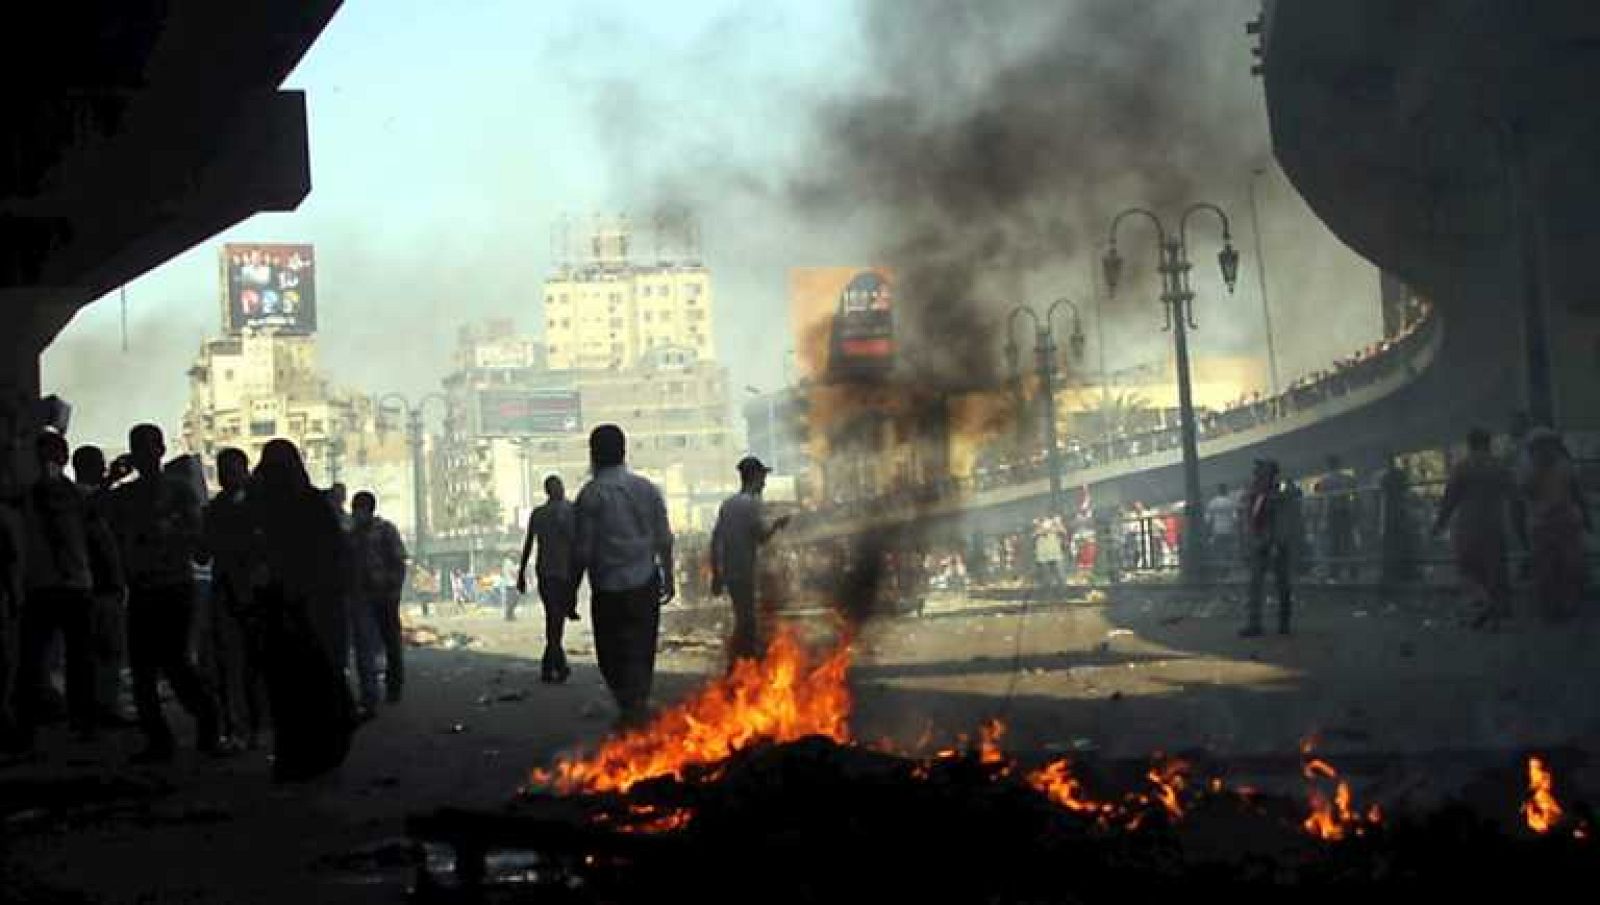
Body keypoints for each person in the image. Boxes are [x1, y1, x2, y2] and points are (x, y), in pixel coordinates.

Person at [107, 424, 222, 762]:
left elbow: (200, 543)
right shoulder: (126, 495)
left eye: (148, 447)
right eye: (137, 448)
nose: (144, 454)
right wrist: (111, 477)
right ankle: (162, 739)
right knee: (144, 670)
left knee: (174, 665)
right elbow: (90, 511)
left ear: (159, 450)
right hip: (144, 588)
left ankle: (206, 721)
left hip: (173, 585)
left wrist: (172, 533)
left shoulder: (179, 490)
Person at [247, 439, 354, 782]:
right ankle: (307, 754)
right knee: (304, 686)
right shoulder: (306, 504)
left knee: (295, 689)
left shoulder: (281, 505)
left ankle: (299, 755)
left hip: (299, 609)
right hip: (297, 610)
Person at [573, 425, 674, 729]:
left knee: (611, 655)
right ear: (623, 451)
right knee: (642, 650)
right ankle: (637, 707)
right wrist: (669, 576)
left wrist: (571, 591)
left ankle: (631, 710)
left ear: (594, 454)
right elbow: (665, 540)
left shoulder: (591, 495)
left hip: (609, 589)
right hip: (645, 583)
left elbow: (584, 551)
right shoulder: (647, 489)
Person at [17, 431, 98, 745]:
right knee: (40, 660)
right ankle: (42, 724)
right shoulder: (34, 496)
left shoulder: (72, 496)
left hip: (63, 584)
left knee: (74, 659)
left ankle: (77, 722)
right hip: (52, 584)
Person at [200, 448, 266, 747]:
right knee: (231, 664)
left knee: (253, 663)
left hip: (253, 592)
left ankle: (253, 725)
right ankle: (239, 726)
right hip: (229, 590)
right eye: (223, 469)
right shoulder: (217, 508)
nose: (227, 475)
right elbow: (204, 553)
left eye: (231, 468)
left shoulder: (259, 503)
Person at [71, 444, 130, 727]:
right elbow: (92, 506)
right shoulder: (81, 498)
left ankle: (95, 707)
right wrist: (112, 480)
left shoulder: (86, 499)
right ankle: (103, 708)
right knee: (106, 651)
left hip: (98, 586)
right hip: (99, 587)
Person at [710, 457, 791, 663]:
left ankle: (741, 660)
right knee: (747, 619)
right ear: (754, 477)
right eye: (762, 477)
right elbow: (762, 536)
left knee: (743, 616)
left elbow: (716, 540)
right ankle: (744, 661)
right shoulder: (753, 504)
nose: (764, 482)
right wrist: (778, 524)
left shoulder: (728, 504)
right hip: (746, 571)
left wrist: (717, 573)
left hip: (730, 571)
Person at [1433, 428, 1513, 629]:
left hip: (1468, 525)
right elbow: (1515, 496)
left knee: (1467, 569)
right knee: (1494, 570)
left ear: (1470, 444)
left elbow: (1449, 500)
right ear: (1488, 443)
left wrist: (1439, 524)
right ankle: (1493, 617)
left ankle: (1484, 605)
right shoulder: (1499, 466)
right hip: (1494, 524)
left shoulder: (1462, 467)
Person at [1518, 428, 1590, 621]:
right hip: (1541, 525)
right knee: (1545, 571)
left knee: (1572, 566)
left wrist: (1586, 517)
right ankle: (1550, 610)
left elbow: (1576, 492)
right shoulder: (1528, 469)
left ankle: (1570, 606)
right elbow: (1525, 493)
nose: (1545, 449)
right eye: (1540, 445)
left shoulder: (1565, 466)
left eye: (1548, 444)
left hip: (1564, 522)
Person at [348, 491, 408, 714]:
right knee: (365, 645)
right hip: (362, 596)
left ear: (369, 510)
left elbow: (399, 561)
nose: (356, 514)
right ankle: (369, 695)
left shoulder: (385, 530)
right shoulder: (352, 534)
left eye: (360, 509)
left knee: (391, 643)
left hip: (385, 595)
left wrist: (395, 589)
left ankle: (393, 687)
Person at [516, 475, 577, 683]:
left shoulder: (541, 513)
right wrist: (521, 573)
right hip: (561, 573)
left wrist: (521, 574)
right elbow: (576, 541)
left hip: (549, 572)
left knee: (554, 617)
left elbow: (528, 545)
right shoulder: (568, 511)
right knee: (555, 617)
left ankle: (554, 665)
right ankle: (552, 665)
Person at [1241, 459, 1294, 637]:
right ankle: (1255, 623)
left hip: (1275, 545)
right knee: (1256, 585)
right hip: (1260, 545)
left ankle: (1283, 623)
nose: (1255, 477)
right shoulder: (1258, 496)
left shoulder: (1277, 497)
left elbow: (1281, 523)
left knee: (1281, 585)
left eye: (1259, 474)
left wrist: (1276, 543)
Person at [1316, 456, 1358, 582]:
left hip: (1332, 512)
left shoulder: (1325, 480)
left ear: (1329, 465)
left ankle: (1335, 571)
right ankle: (1352, 569)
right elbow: (1354, 488)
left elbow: (1318, 491)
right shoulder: (1346, 478)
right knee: (1348, 541)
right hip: (1345, 511)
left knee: (1334, 542)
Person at [1205, 483, 1238, 577]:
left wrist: (1208, 532)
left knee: (1219, 551)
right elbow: (1235, 518)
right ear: (1226, 491)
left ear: (1218, 491)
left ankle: (1221, 570)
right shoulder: (1231, 502)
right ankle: (1226, 569)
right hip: (1229, 530)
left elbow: (1208, 519)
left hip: (1217, 530)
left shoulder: (1213, 502)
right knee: (1228, 550)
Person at [1031, 516, 1066, 598]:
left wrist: (1057, 525)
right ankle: (1047, 598)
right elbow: (1034, 535)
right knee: (1046, 579)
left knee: (1061, 577)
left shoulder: (1056, 524)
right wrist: (1043, 528)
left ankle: (1062, 597)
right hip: (1043, 556)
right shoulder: (1037, 524)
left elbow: (1063, 532)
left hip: (1056, 555)